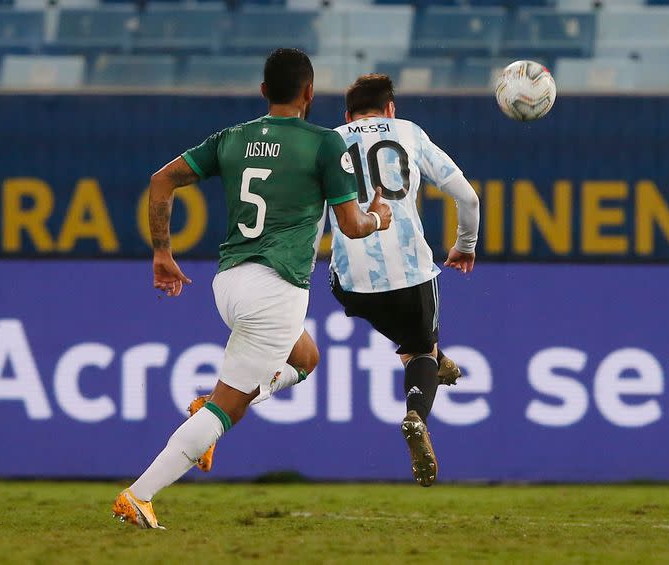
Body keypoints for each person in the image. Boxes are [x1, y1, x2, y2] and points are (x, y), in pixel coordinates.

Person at [112, 48, 391, 529]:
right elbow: (351, 225)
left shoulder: (233, 139)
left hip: (230, 283)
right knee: (228, 407)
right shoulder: (324, 145)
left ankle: (209, 409)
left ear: (263, 92)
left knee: (305, 359)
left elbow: (162, 181)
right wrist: (378, 217)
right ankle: (139, 495)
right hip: (276, 290)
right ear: (310, 92)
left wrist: (162, 252)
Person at [329, 73, 480, 487]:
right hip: (411, 274)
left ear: (347, 115)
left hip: (349, 281)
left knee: (406, 334)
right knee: (420, 352)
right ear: (391, 109)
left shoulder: (328, 141)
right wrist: (465, 244)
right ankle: (417, 413)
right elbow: (467, 196)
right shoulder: (408, 133)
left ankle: (435, 355)